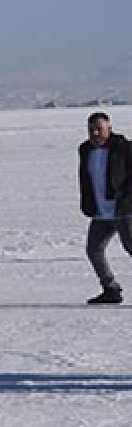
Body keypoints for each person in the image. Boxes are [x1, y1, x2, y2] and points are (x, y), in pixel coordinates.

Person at [78, 112, 132, 304]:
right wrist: (87, 203)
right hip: (100, 212)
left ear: (109, 128)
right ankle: (111, 289)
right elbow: (85, 179)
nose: (95, 133)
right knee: (94, 249)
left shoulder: (124, 148)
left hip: (124, 210)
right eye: (91, 129)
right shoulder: (85, 150)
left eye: (99, 129)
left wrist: (127, 198)